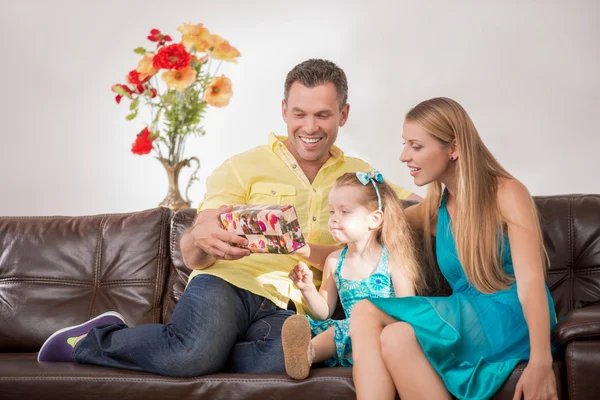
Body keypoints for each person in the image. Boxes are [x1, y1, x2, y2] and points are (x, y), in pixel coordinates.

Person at [37, 59, 419, 377]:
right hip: (227, 282)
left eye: (323, 115)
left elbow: (418, 209)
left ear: (344, 114)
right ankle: (98, 337)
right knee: (189, 356)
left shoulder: (359, 175)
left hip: (288, 305)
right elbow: (196, 245)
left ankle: (208, 345)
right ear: (284, 110)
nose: (310, 127)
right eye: (299, 113)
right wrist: (204, 237)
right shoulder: (242, 166)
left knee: (287, 359)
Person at [350, 97, 558, 400]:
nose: (403, 156)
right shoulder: (435, 209)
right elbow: (365, 234)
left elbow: (531, 285)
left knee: (366, 311)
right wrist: (301, 249)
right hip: (470, 316)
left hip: (512, 316)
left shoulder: (507, 193)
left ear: (454, 148)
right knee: (396, 338)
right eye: (404, 144)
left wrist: (541, 362)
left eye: (416, 146)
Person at [281, 170, 423, 380]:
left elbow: (408, 309)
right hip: (350, 338)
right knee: (335, 330)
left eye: (345, 211)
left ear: (374, 219)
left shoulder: (393, 259)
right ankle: (306, 353)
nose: (334, 219)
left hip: (386, 333)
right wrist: (308, 289)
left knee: (355, 327)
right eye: (331, 212)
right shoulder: (335, 261)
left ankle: (311, 352)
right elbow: (324, 313)